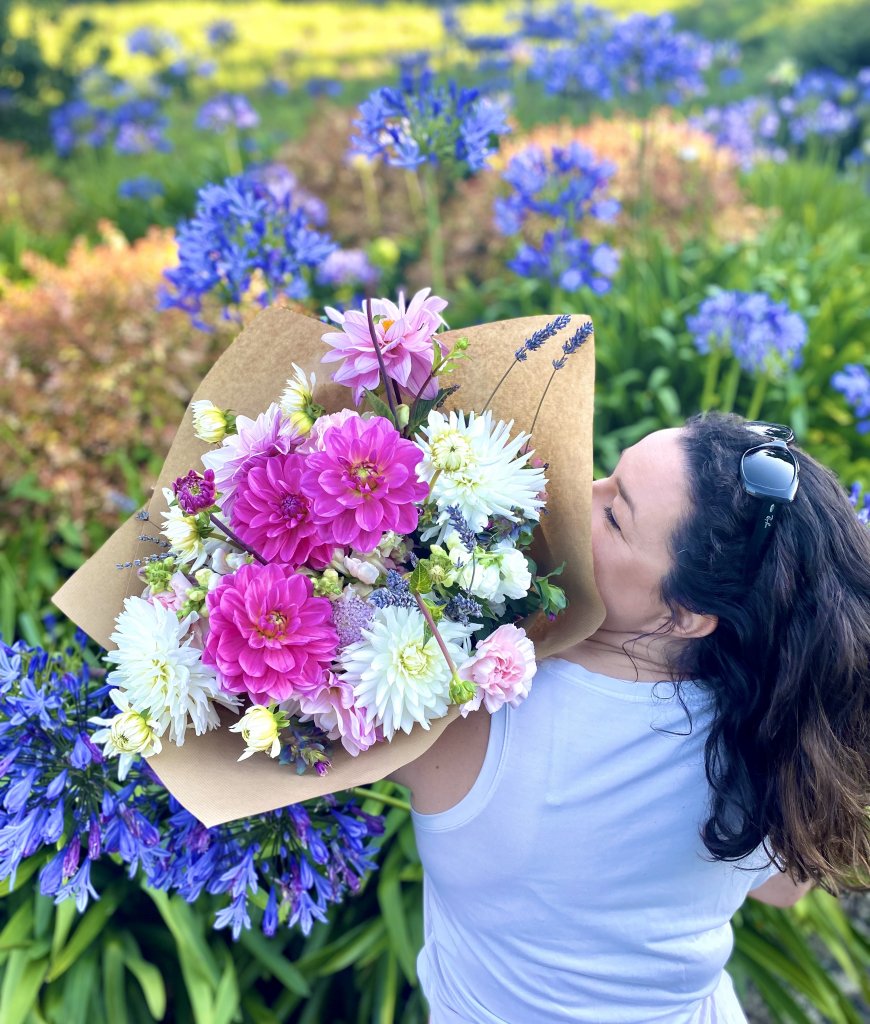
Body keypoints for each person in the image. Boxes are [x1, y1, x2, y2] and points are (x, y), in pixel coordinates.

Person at [390, 410, 870, 1024]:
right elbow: (782, 889)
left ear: (683, 615)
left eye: (615, 516)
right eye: (607, 478)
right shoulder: (773, 723)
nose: (575, 494)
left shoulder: (479, 703)